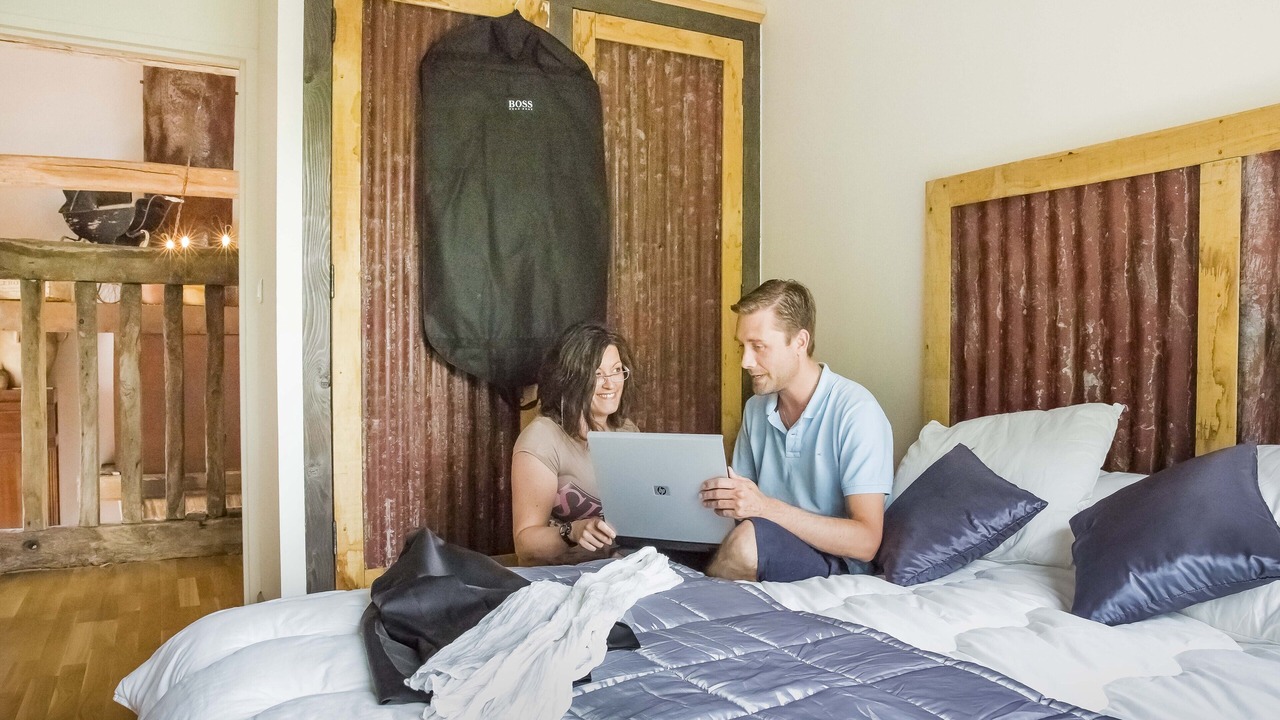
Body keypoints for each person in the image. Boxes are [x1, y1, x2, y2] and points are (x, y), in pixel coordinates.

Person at [700, 279, 894, 582]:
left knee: (745, 546)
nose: (745, 362)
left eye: (759, 347)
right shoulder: (756, 409)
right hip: (767, 539)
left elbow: (867, 542)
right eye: (743, 346)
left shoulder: (857, 412)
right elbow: (743, 509)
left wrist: (766, 508)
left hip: (833, 563)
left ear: (800, 342)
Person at [511, 323, 637, 565]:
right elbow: (524, 544)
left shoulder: (627, 431)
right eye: (597, 374)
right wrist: (573, 532)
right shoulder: (541, 439)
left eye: (617, 370)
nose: (611, 384)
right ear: (570, 378)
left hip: (616, 571)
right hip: (558, 578)